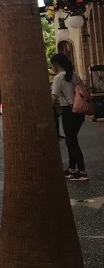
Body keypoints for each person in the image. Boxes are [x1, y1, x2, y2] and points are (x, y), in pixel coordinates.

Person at [51, 53, 88, 181]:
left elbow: (54, 97)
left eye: (52, 64)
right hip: (79, 112)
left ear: (56, 64)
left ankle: (82, 172)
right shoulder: (74, 75)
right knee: (71, 140)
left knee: (71, 141)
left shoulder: (58, 78)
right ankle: (72, 169)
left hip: (68, 111)